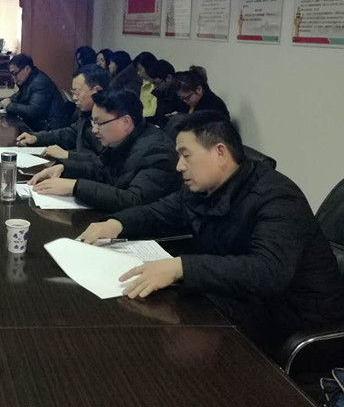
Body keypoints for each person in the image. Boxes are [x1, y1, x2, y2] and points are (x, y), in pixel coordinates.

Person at [78, 111, 344, 349]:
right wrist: (116, 223)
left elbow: (267, 272)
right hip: (239, 302)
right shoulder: (203, 188)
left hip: (292, 322)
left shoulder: (278, 198)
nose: (179, 166)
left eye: (186, 155)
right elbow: (158, 212)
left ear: (220, 153)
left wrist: (181, 267)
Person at [29, 88, 181, 213]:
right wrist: (64, 168)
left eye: (100, 123)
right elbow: (102, 170)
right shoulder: (123, 140)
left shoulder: (156, 150)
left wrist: (75, 187)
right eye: (93, 122)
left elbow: (134, 201)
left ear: (125, 122)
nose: (94, 130)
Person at [16, 64, 108, 161]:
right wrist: (36, 138)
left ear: (97, 90)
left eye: (78, 92)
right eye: (73, 93)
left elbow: (104, 163)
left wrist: (68, 155)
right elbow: (71, 133)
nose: (74, 98)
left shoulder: (110, 119)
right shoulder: (85, 112)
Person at [0, 54, 69, 132]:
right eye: (11, 74)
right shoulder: (28, 79)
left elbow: (34, 111)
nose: (13, 78)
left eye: (15, 73)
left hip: (49, 129)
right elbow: (19, 96)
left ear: (27, 69)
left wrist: (9, 106)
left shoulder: (39, 82)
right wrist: (7, 100)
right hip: (39, 126)